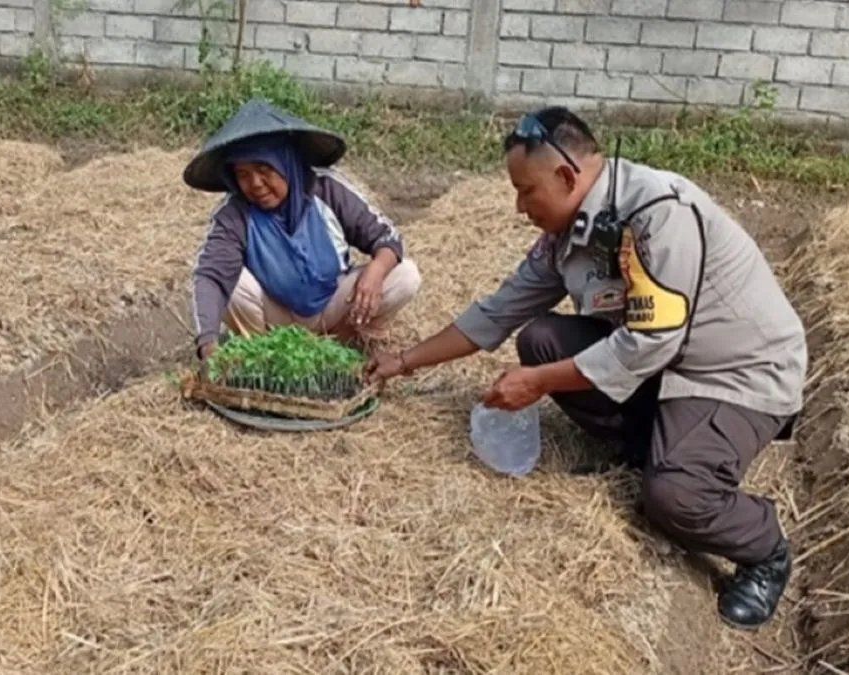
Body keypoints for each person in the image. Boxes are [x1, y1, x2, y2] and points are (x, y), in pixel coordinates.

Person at [365, 106, 808, 630]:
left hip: (734, 374)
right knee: (542, 339)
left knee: (673, 498)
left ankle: (764, 549)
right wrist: (400, 362)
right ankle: (649, 445)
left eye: (526, 190)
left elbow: (651, 343)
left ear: (567, 176)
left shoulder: (657, 215)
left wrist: (538, 383)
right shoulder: (568, 232)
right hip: (665, 367)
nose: (518, 205)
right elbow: (499, 311)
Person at [183, 98, 421, 363]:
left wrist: (375, 272)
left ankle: (348, 342)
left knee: (404, 275)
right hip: (273, 314)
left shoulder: (326, 189)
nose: (255, 184)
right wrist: (207, 344)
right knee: (227, 280)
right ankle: (263, 356)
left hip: (334, 304)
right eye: (243, 174)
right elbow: (210, 276)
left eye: (265, 169)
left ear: (286, 163)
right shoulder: (235, 213)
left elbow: (387, 238)